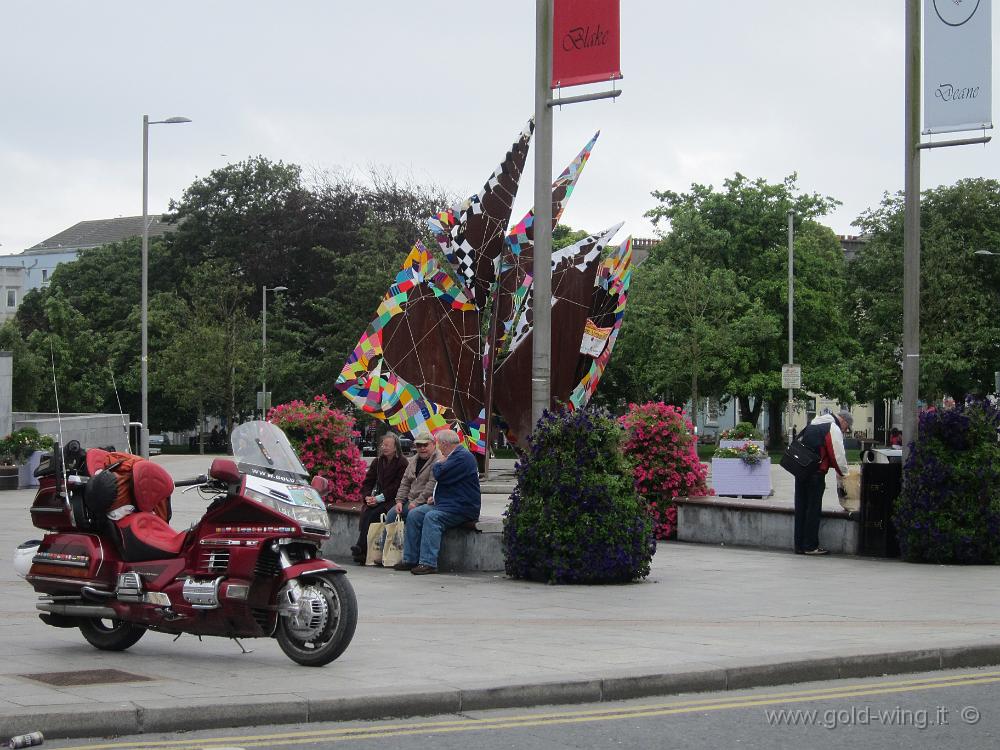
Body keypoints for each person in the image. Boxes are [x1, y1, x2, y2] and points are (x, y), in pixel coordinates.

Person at [394, 429, 480, 575]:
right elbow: (450, 483)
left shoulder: (462, 457)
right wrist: (436, 497)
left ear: (445, 444)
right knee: (414, 514)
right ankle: (410, 559)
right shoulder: (453, 456)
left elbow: (440, 474)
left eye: (439, 444)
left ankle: (428, 563)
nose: (439, 448)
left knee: (432, 517)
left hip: (462, 508)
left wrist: (439, 463)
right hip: (448, 504)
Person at [371, 431, 442, 566]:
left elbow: (432, 486)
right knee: (392, 513)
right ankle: (385, 553)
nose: (422, 448)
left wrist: (416, 502)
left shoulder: (437, 460)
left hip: (426, 501)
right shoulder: (414, 460)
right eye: (419, 445)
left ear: (433, 445)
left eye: (425, 445)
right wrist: (399, 501)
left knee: (413, 515)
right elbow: (405, 482)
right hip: (410, 499)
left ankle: (409, 558)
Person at [793, 409, 851, 556]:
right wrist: (845, 474)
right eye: (847, 427)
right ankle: (810, 546)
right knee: (813, 509)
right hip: (815, 474)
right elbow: (837, 454)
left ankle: (799, 545)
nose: (845, 431)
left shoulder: (813, 423)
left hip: (801, 471)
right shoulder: (832, 427)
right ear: (843, 420)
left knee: (801, 507)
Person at [351, 432, 409, 564]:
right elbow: (368, 482)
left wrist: (379, 498)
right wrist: (367, 497)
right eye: (383, 444)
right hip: (376, 497)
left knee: (375, 513)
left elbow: (397, 486)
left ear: (395, 448)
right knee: (367, 512)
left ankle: (361, 548)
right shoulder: (378, 462)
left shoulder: (402, 462)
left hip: (392, 499)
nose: (384, 447)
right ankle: (363, 549)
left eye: (388, 445)